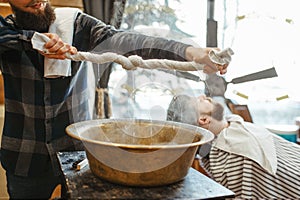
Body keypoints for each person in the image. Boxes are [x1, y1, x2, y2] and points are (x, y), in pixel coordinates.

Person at [0, 0, 230, 199]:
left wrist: (190, 52)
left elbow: (126, 40)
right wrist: (34, 41)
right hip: (23, 158)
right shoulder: (5, 30)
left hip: (75, 156)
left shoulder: (74, 24)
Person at [167, 94, 300, 199]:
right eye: (199, 101)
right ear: (203, 119)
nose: (203, 96)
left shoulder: (234, 125)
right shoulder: (234, 154)